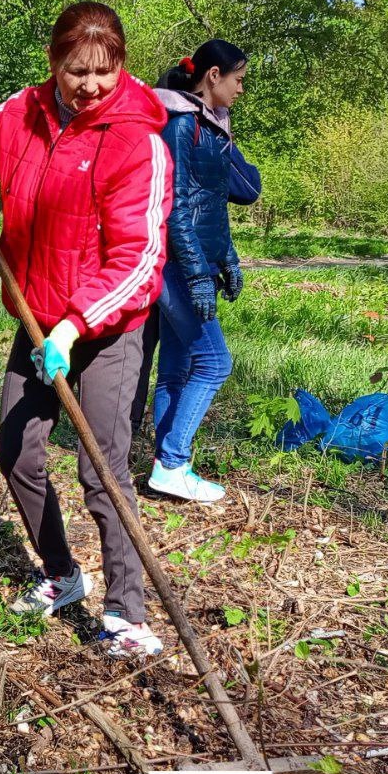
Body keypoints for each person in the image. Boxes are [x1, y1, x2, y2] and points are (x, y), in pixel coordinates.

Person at [0, 2, 173, 659]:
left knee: (103, 469)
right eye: (76, 70)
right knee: (16, 452)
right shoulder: (23, 114)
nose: (91, 84)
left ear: (120, 63)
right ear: (54, 64)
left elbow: (141, 258)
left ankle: (125, 614)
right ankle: (62, 575)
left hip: (106, 328)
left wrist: (74, 327)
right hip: (37, 322)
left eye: (104, 70)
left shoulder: (137, 141)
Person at [146, 40, 254, 503]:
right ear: (213, 75)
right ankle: (173, 462)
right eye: (238, 78)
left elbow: (212, 205)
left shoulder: (213, 128)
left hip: (198, 262)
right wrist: (193, 275)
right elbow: (173, 208)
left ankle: (164, 466)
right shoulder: (178, 124)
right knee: (215, 362)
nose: (241, 88)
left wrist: (226, 256)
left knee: (176, 365)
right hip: (174, 266)